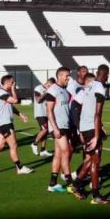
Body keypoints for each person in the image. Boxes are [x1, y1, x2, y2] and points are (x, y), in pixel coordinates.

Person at [44, 68, 85, 199]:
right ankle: (70, 183)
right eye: (67, 76)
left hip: (65, 126)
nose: (69, 78)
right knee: (66, 152)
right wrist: (54, 128)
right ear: (60, 76)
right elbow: (49, 111)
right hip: (58, 126)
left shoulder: (65, 91)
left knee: (58, 154)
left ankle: (52, 184)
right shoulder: (53, 90)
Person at [75, 66, 110, 204]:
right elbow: (97, 114)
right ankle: (96, 195)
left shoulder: (90, 86)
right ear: (107, 75)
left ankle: (77, 184)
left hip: (85, 127)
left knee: (91, 159)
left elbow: (82, 107)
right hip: (91, 128)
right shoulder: (100, 88)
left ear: (97, 73)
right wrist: (97, 135)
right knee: (96, 162)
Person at [0, 75, 33, 176]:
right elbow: (15, 100)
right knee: (13, 145)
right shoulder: (2, 92)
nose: (13, 83)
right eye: (12, 82)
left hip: (3, 124)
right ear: (7, 82)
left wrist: (20, 115)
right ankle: (19, 167)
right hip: (5, 124)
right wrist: (13, 89)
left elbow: (11, 106)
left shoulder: (5, 93)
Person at [67, 65, 88, 150]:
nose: (85, 73)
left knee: (85, 142)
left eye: (86, 71)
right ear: (78, 72)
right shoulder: (73, 84)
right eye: (83, 71)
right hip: (72, 117)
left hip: (83, 117)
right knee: (72, 145)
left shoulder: (87, 86)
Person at [31, 78, 53, 157]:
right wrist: (46, 92)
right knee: (45, 129)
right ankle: (34, 143)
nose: (50, 87)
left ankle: (43, 149)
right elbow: (38, 100)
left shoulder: (49, 90)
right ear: (47, 83)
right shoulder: (38, 88)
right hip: (39, 113)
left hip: (46, 113)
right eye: (49, 86)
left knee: (45, 132)